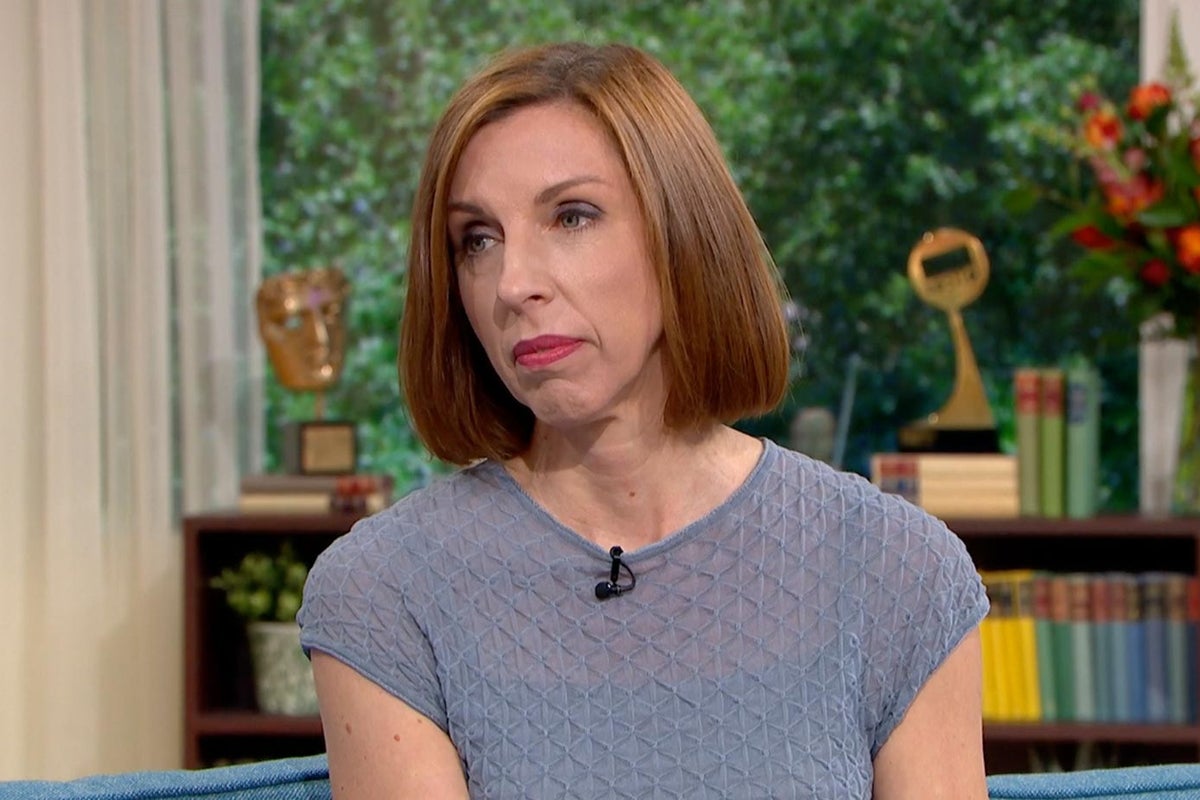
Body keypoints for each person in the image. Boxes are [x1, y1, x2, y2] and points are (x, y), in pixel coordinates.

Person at [298, 41, 989, 799]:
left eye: (572, 216)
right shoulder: (385, 594)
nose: (513, 284)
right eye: (479, 240)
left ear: (680, 235)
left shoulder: (896, 571)